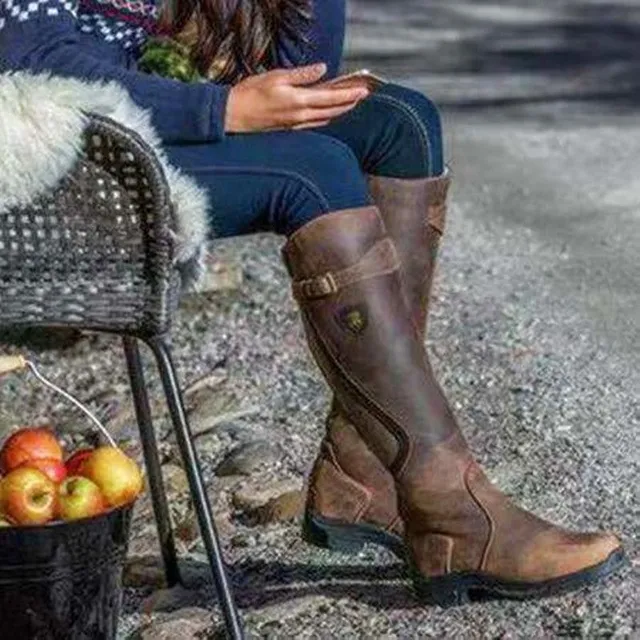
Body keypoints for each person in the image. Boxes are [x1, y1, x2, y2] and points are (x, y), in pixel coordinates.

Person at [0, 0, 626, 605]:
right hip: (39, 156)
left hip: (112, 132)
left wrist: (244, 96)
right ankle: (451, 511)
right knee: (314, 171)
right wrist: (221, 108)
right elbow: (34, 61)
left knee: (400, 126)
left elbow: (303, 71)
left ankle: (362, 479)